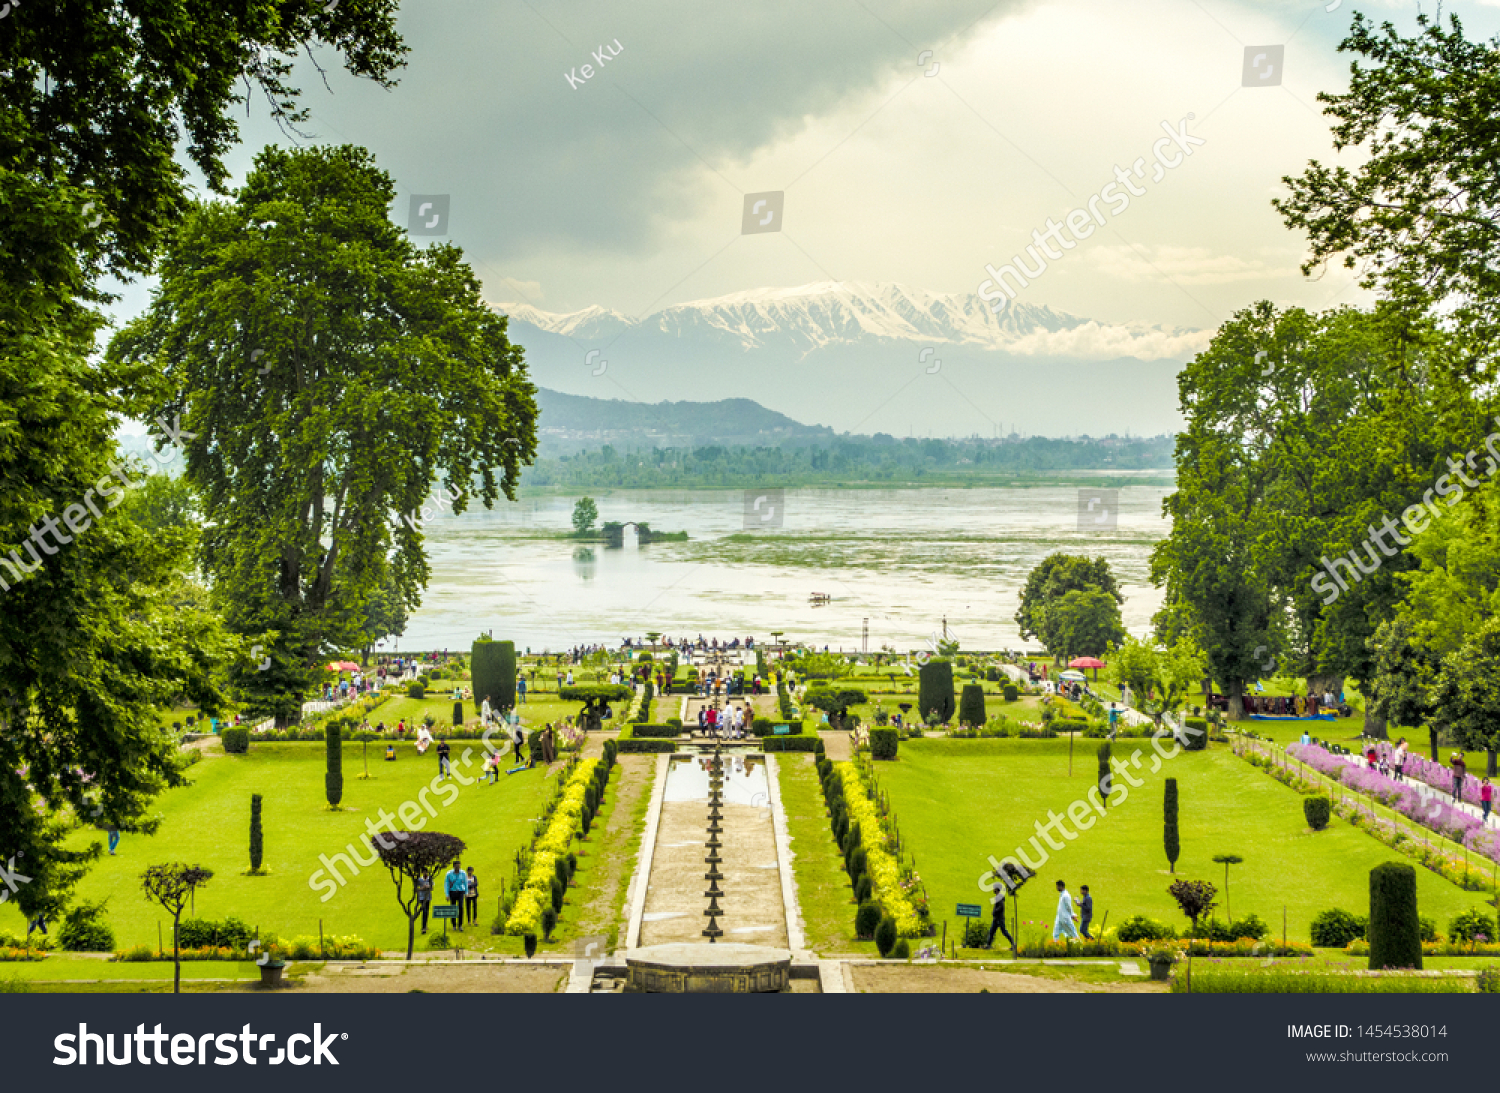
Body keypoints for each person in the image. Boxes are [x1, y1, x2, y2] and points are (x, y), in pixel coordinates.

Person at [986, 880, 1014, 951]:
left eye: (994, 888)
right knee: (992, 931)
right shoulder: (998, 896)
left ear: (996, 889)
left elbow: (1001, 906)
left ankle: (1013, 944)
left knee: (1004, 932)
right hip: (996, 918)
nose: (993, 889)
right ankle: (988, 945)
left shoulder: (999, 897)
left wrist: (994, 911)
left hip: (999, 918)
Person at [445, 861, 468, 927]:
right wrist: (447, 894)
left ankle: (460, 924)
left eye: (459, 866)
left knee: (461, 907)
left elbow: (465, 883)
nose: (458, 867)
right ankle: (454, 924)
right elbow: (446, 884)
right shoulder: (449, 874)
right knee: (453, 908)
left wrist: (466, 893)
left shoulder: (463, 873)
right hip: (452, 892)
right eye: (457, 866)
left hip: (460, 891)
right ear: (454, 866)